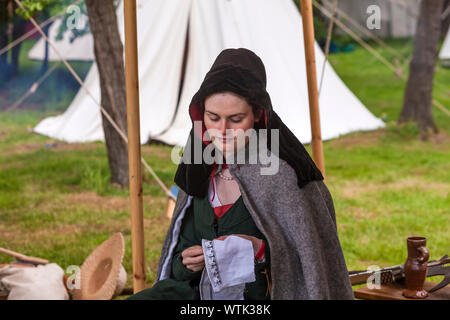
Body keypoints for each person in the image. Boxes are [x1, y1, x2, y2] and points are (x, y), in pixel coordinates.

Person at [127, 48, 354, 300]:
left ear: (258, 115)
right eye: (213, 118)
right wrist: (187, 261)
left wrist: (259, 251)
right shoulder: (200, 169)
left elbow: (309, 266)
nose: (222, 130)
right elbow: (178, 266)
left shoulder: (286, 176)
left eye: (235, 119)